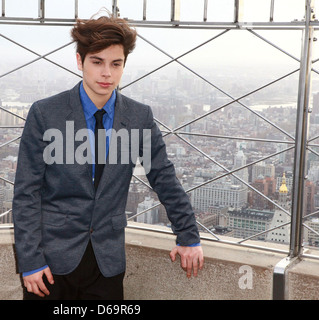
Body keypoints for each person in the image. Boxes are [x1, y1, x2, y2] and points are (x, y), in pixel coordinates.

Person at [12, 14, 204, 300]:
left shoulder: (139, 117)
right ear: (80, 62)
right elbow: (26, 191)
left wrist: (188, 235)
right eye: (97, 62)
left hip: (107, 263)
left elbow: (162, 176)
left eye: (116, 64)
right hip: (50, 262)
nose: (107, 74)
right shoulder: (45, 113)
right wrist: (29, 262)